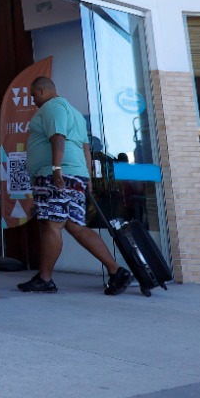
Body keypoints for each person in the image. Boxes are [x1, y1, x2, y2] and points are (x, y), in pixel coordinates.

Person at [17, 76, 134, 296]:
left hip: (58, 177)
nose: (33, 100)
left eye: (34, 95)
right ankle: (116, 270)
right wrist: (87, 177)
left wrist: (55, 168)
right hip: (75, 175)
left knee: (52, 225)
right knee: (75, 226)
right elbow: (86, 148)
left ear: (42, 91)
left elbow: (58, 138)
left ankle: (45, 279)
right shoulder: (75, 114)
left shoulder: (53, 107)